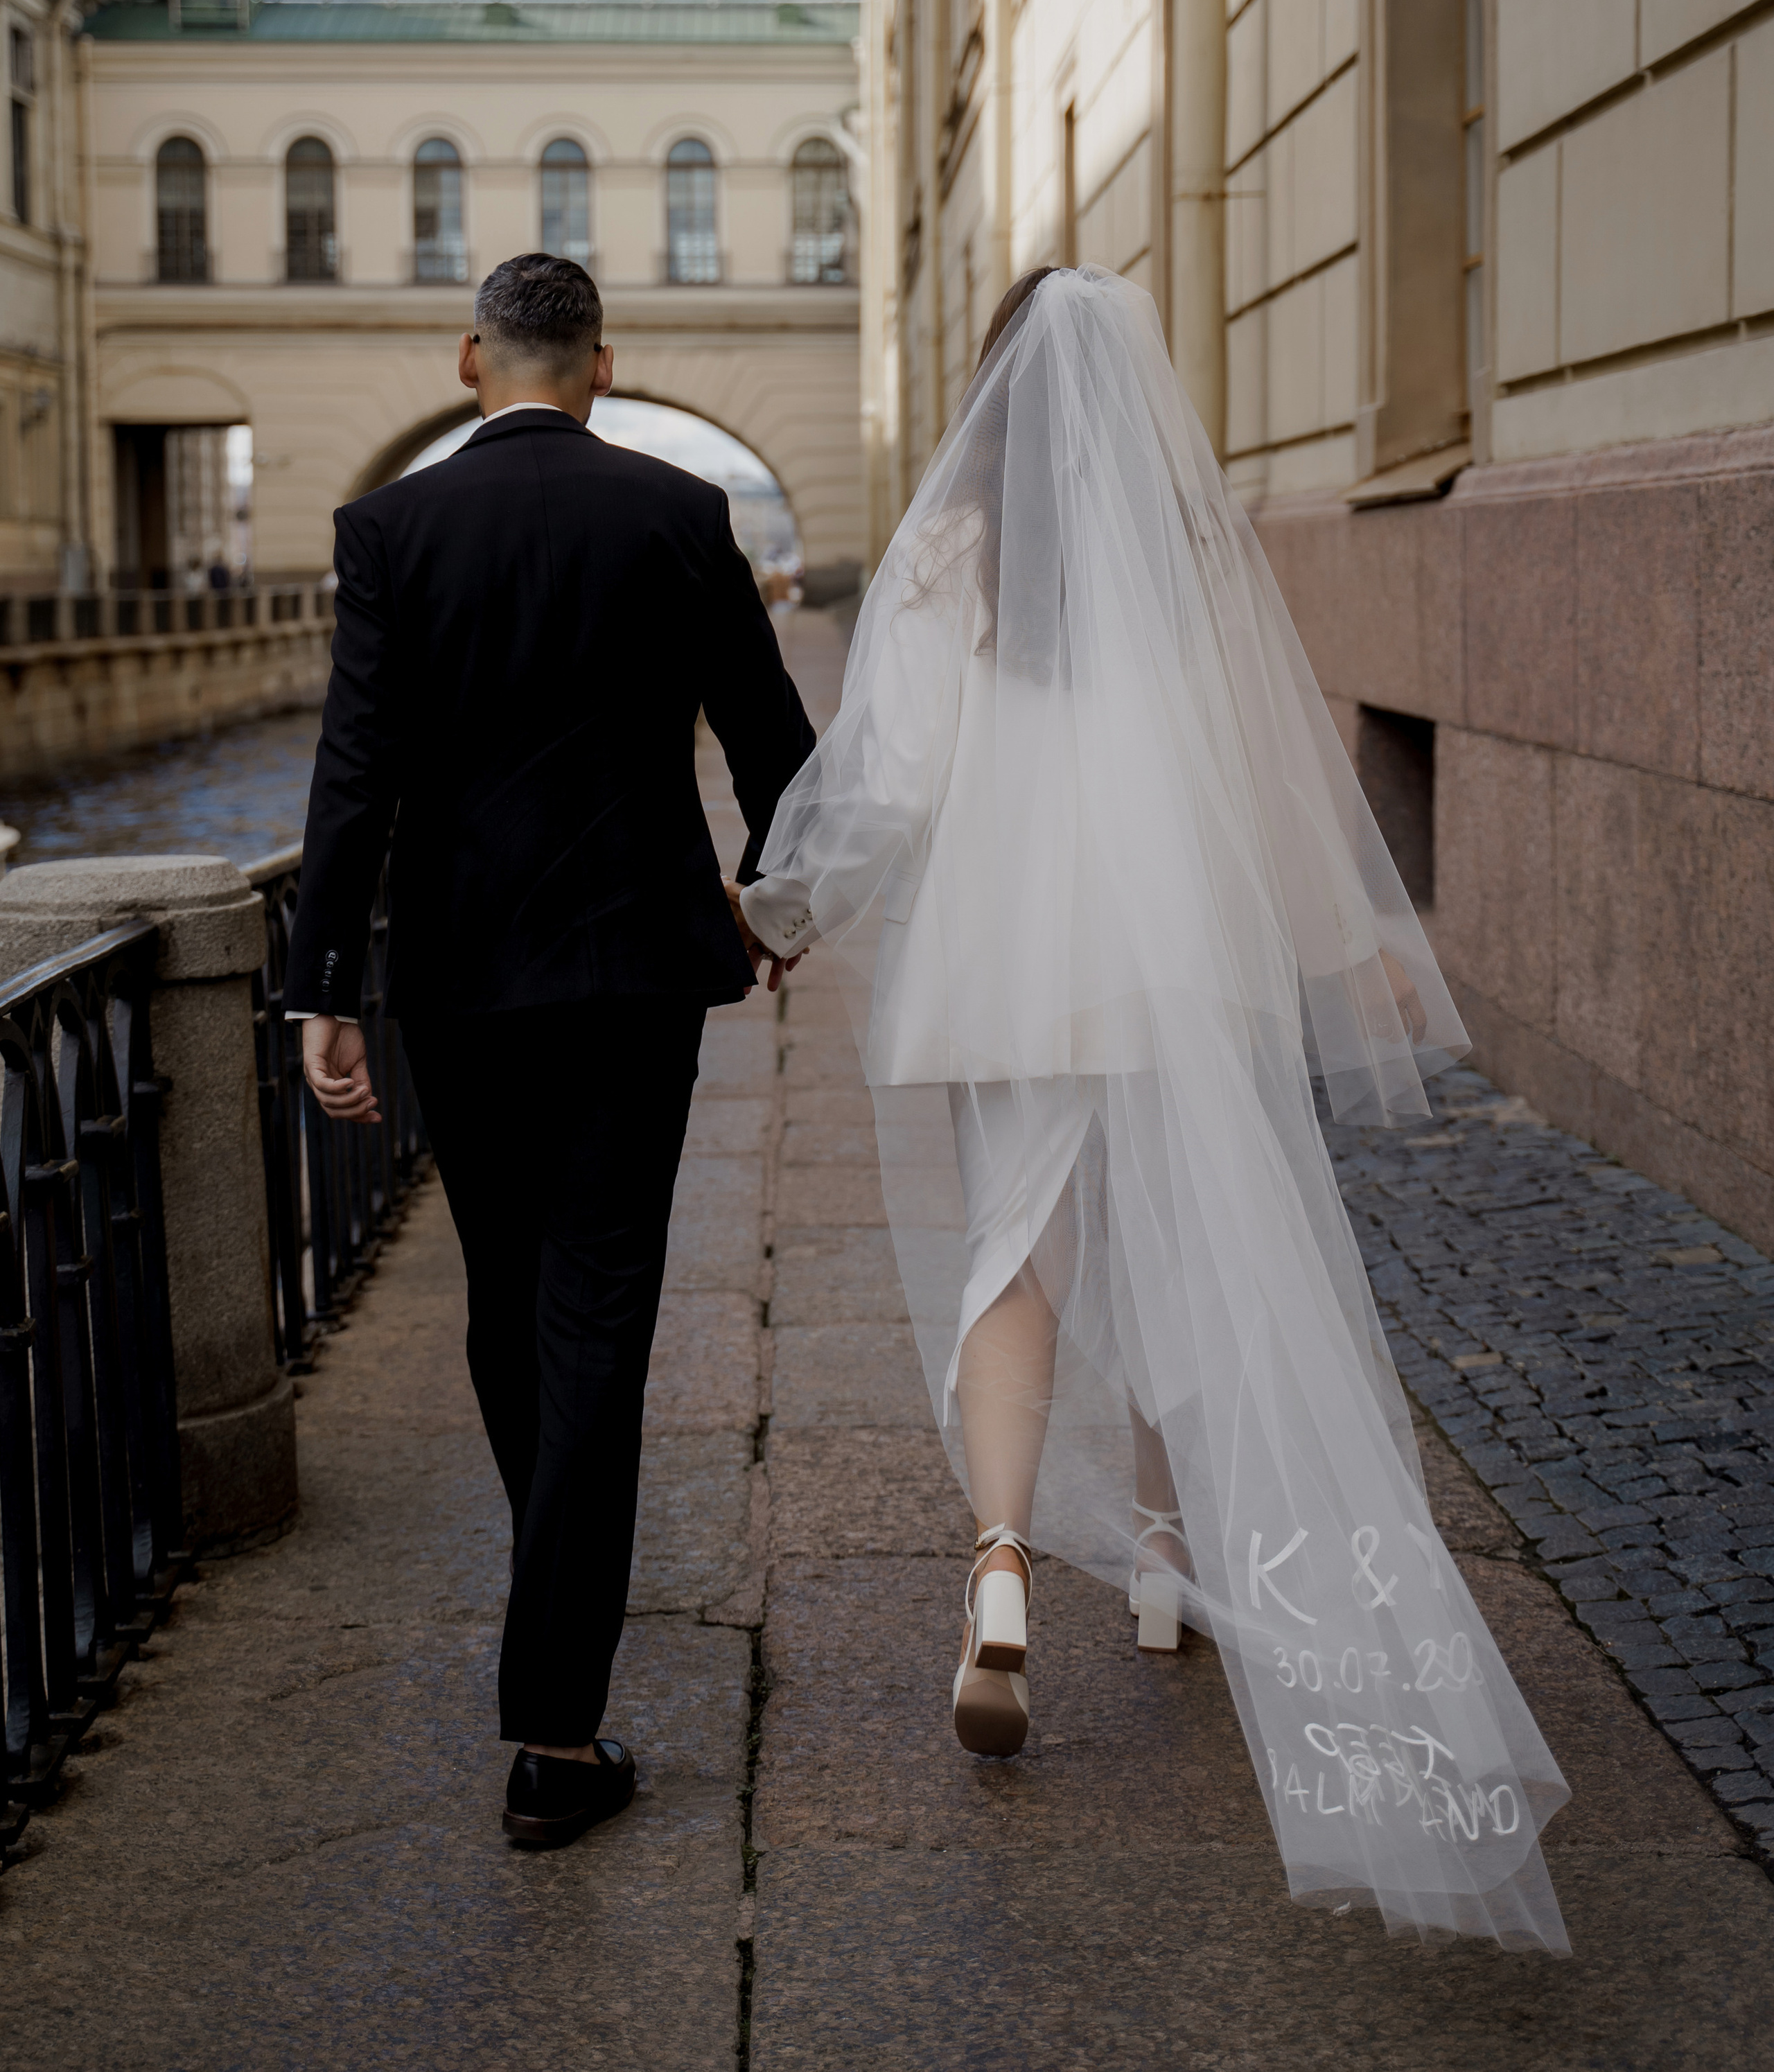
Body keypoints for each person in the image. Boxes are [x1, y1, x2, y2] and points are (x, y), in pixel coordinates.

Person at [737, 263, 1572, 1954]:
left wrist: (786, 910)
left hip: (998, 961)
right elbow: (1258, 772)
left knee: (1019, 1254)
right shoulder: (1186, 553)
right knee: (1184, 1233)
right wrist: (1353, 945)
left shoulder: (948, 552)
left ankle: (995, 1568)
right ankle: (1175, 1569)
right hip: (1172, 949)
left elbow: (885, 779)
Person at [284, 252, 814, 1850]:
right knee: (595, 1313)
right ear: (598, 363)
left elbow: (354, 774)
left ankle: (556, 1628)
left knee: (507, 1311)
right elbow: (781, 749)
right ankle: (556, 1727)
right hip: (635, 976)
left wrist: (320, 989)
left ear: (471, 361)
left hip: (458, 981)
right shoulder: (676, 514)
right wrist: (770, 906)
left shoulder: (388, 531)